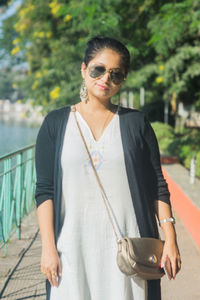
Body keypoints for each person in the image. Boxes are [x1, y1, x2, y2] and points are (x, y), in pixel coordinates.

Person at [35, 36, 181, 300]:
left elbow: (157, 185)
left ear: (123, 80)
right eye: (98, 69)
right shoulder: (55, 124)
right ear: (83, 68)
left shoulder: (137, 124)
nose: (105, 79)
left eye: (116, 74)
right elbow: (45, 191)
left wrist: (170, 239)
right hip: (71, 250)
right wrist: (48, 248)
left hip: (129, 252)